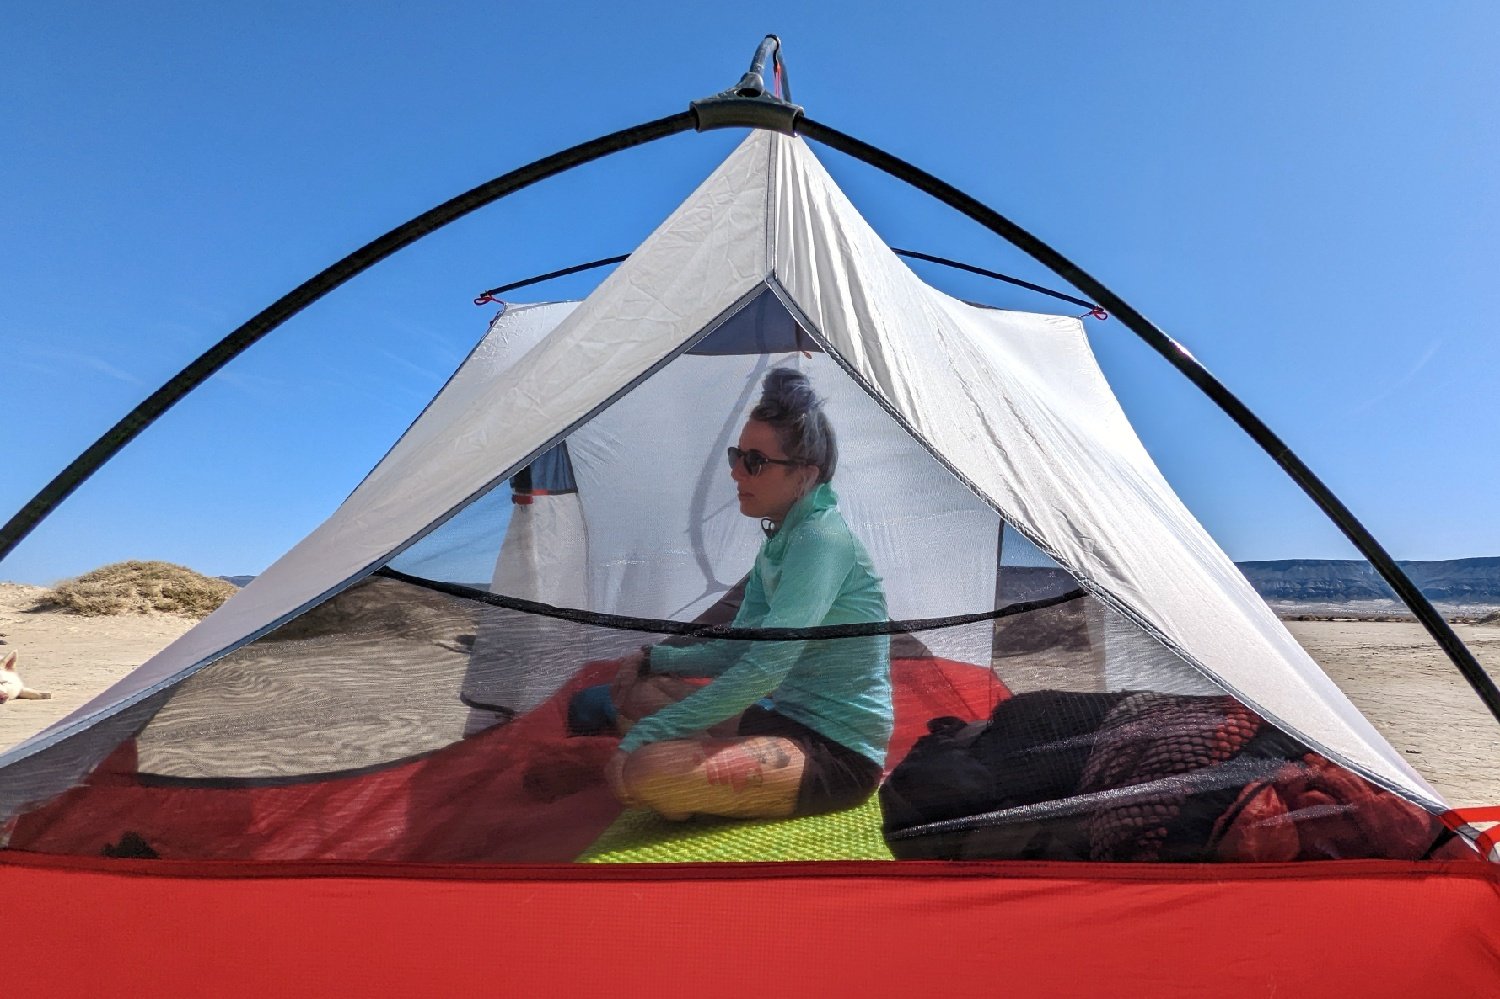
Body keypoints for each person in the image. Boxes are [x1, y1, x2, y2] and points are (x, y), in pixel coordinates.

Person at [599, 367, 892, 821]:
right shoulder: (779, 542)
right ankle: (702, 767)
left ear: (804, 476)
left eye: (754, 462)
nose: (736, 472)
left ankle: (690, 772)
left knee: (648, 769)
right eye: (738, 455)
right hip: (781, 718)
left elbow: (764, 666)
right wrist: (656, 659)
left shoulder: (822, 540)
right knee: (644, 690)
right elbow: (739, 650)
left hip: (835, 752)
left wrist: (645, 737)